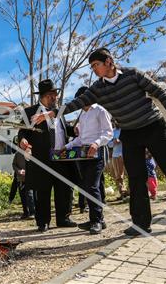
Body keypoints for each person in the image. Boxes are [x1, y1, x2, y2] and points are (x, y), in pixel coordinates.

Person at [33, 48, 166, 236]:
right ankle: (141, 223)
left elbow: (160, 93)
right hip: (130, 134)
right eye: (91, 66)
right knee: (135, 179)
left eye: (96, 65)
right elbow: (77, 102)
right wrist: (52, 113)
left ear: (109, 62)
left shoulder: (132, 74)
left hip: (153, 127)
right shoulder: (98, 88)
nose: (93, 69)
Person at [18, 79, 77, 232]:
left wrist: (74, 130)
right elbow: (22, 131)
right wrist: (22, 140)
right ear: (43, 97)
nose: (55, 98)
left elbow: (64, 129)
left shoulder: (58, 112)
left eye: (55, 95)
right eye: (52, 95)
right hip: (41, 157)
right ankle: (43, 221)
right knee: (42, 190)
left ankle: (63, 218)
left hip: (61, 156)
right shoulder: (30, 112)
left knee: (64, 188)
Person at [64, 86, 113, 234]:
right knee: (86, 186)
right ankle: (98, 219)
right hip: (83, 154)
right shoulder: (83, 116)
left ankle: (96, 221)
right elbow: (80, 138)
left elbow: (109, 132)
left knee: (92, 186)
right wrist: (66, 146)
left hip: (97, 153)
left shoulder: (100, 110)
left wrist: (97, 143)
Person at [11, 140, 36, 219]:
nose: (24, 146)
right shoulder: (18, 154)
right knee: (22, 195)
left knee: (30, 195)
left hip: (30, 178)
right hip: (21, 178)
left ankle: (32, 212)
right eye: (22, 145)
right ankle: (25, 212)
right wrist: (18, 171)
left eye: (25, 145)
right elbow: (14, 164)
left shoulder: (32, 154)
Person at [110, 122, 129, 199]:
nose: (115, 122)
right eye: (114, 121)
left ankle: (130, 191)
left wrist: (121, 141)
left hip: (126, 153)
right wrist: (113, 143)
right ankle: (122, 193)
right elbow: (108, 144)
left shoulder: (124, 129)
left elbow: (129, 140)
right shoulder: (112, 131)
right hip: (115, 155)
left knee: (130, 173)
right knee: (118, 175)